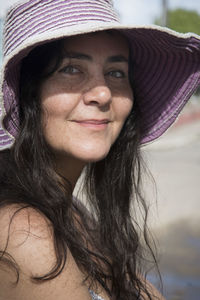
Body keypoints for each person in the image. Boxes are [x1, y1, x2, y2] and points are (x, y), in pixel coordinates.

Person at [0, 0, 199, 299]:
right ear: (28, 93)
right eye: (71, 69)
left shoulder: (71, 212)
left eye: (117, 73)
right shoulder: (25, 234)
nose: (103, 92)